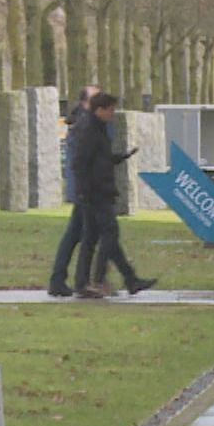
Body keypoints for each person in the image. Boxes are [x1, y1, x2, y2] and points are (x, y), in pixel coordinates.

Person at [70, 93, 155, 298]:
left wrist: (121, 157)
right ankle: (99, 279)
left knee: (93, 237)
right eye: (110, 110)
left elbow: (101, 158)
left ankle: (124, 279)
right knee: (109, 233)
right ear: (100, 109)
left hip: (97, 191)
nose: (112, 114)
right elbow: (81, 162)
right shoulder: (91, 130)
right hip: (96, 192)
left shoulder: (97, 129)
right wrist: (83, 191)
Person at [47, 85, 100, 298]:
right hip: (87, 189)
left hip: (84, 188)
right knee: (88, 235)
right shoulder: (84, 124)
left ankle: (60, 280)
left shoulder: (83, 122)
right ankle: (81, 282)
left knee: (75, 234)